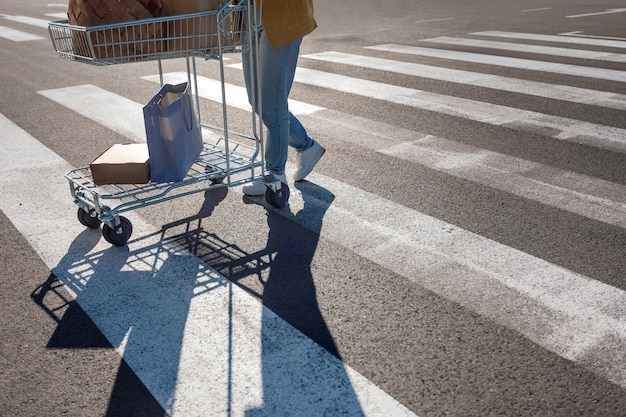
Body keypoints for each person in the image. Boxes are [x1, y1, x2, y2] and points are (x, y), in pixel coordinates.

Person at [241, 0, 325, 196]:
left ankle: (274, 173)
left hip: (282, 14)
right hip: (247, 13)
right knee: (259, 101)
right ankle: (306, 146)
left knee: (272, 102)